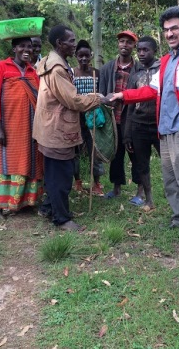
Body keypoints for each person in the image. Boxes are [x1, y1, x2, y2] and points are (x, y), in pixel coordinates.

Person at [110, 6, 179, 249]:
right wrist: (123, 95)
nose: (169, 34)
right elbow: (152, 91)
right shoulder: (168, 60)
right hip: (166, 129)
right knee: (171, 180)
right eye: (166, 30)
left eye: (174, 29)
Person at [33, 25, 108, 231]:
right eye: (71, 41)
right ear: (60, 43)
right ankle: (62, 219)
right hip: (57, 130)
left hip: (51, 127)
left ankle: (48, 208)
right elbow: (73, 100)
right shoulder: (57, 69)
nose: (74, 45)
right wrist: (99, 99)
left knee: (55, 173)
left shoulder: (54, 62)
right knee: (61, 176)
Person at [0, 37, 44, 219]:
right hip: (9, 127)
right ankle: (1, 206)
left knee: (30, 161)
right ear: (14, 48)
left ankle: (26, 202)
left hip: (30, 127)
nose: (26, 50)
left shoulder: (32, 71)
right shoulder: (2, 67)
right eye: (22, 46)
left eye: (29, 47)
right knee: (7, 163)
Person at [99, 30, 142, 199]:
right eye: (122, 41)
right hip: (113, 119)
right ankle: (116, 188)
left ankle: (140, 190)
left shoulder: (139, 68)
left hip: (132, 119)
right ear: (118, 44)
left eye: (129, 42)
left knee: (136, 154)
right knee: (116, 155)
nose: (125, 45)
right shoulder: (107, 68)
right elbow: (101, 93)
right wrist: (105, 100)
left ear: (133, 46)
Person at [124, 36, 161, 210]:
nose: (141, 53)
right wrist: (127, 133)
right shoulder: (135, 73)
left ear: (155, 51)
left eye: (146, 50)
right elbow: (129, 104)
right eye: (139, 50)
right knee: (142, 164)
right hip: (139, 125)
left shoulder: (162, 70)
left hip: (160, 125)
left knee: (169, 164)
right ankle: (149, 200)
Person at [72, 39, 105, 196]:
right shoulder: (71, 73)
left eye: (86, 56)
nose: (84, 59)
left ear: (91, 56)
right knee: (75, 151)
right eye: (80, 56)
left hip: (93, 119)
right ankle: (77, 181)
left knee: (95, 150)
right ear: (76, 56)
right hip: (76, 119)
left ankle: (96, 183)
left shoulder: (96, 73)